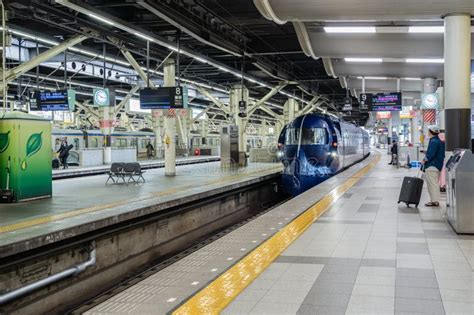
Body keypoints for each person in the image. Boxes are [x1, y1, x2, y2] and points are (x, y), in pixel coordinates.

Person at [422, 126, 445, 207]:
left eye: (428, 131)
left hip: (432, 165)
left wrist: (425, 158)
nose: (427, 132)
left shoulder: (434, 141)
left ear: (431, 132)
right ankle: (434, 200)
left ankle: (435, 201)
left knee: (432, 184)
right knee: (434, 183)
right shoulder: (438, 141)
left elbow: (431, 154)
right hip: (437, 165)